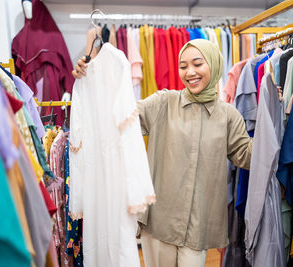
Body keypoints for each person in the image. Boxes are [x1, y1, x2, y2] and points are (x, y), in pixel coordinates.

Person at [72, 38, 253, 267]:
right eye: (183, 66)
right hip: (159, 223)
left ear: (214, 64)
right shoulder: (163, 103)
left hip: (199, 226)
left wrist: (276, 119)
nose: (190, 72)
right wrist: (92, 80)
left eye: (198, 64)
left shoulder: (228, 116)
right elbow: (118, 116)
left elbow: (246, 155)